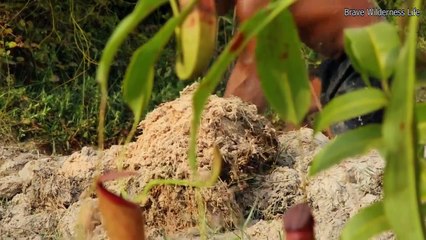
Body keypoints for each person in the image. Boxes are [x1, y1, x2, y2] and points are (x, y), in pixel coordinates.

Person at [219, 0, 384, 134]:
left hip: (370, 53)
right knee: (298, 112)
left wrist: (218, 129)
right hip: (347, 56)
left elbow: (251, 78)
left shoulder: (254, 3)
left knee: (347, 165)